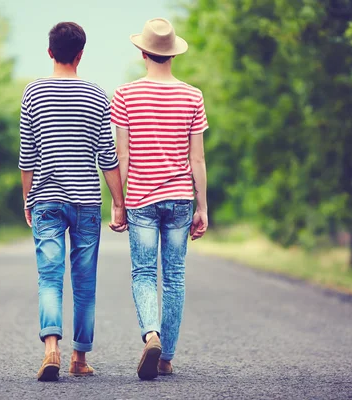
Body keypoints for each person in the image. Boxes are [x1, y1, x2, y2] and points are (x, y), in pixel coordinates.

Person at [19, 21, 127, 382]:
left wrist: (27, 199)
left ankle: (51, 346)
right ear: (81, 54)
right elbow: (107, 156)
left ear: (49, 51)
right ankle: (79, 358)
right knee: (84, 281)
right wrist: (118, 202)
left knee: (49, 277)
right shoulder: (97, 95)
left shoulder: (32, 93)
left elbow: (26, 155)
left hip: (46, 199)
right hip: (85, 202)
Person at [110, 17, 209, 380]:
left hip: (140, 197)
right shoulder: (192, 95)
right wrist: (203, 206)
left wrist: (117, 204)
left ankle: (150, 333)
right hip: (181, 197)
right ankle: (166, 356)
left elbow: (122, 156)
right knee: (175, 277)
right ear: (172, 54)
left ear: (142, 52)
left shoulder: (124, 95)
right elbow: (196, 158)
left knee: (143, 273)